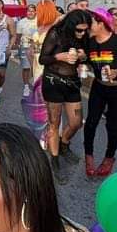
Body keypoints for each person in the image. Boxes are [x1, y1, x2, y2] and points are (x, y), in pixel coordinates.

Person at [84, 9, 117, 178]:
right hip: (98, 87)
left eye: (91, 22)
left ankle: (109, 158)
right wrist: (82, 64)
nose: (88, 26)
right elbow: (86, 61)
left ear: (101, 23)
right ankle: (89, 157)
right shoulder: (90, 42)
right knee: (91, 122)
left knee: (112, 124)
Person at [38, 10, 91, 175]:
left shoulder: (84, 36)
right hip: (53, 82)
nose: (82, 33)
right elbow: (42, 59)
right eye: (79, 30)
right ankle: (54, 159)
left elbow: (87, 57)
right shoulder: (56, 33)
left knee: (76, 122)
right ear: (70, 26)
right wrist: (58, 57)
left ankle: (64, 143)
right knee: (54, 123)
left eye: (85, 29)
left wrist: (83, 56)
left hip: (72, 83)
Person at [0, 0, 17, 110]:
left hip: (3, 51)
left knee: (1, 74)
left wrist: (9, 48)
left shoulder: (8, 20)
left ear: (1, 5)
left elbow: (14, 35)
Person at [16, 3, 38, 96]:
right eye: (29, 11)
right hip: (25, 46)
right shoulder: (21, 22)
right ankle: (26, 86)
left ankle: (35, 85)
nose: (30, 13)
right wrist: (17, 46)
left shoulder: (39, 21)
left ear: (35, 12)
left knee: (35, 67)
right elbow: (18, 36)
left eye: (32, 11)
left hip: (37, 48)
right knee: (26, 67)